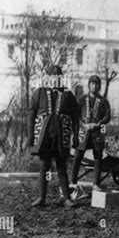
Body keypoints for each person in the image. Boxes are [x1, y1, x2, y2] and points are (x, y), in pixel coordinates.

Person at [28, 65, 80, 208]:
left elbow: (76, 117)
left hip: (61, 136)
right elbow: (31, 115)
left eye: (58, 76)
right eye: (53, 76)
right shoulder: (39, 93)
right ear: (48, 77)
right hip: (44, 136)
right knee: (44, 166)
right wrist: (30, 136)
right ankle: (41, 197)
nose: (55, 79)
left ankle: (66, 198)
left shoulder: (68, 95)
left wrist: (76, 137)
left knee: (61, 166)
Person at [71, 75, 111, 190]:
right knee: (78, 155)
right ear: (89, 85)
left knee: (98, 157)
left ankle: (96, 184)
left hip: (97, 133)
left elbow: (107, 116)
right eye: (92, 84)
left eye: (97, 84)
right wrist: (83, 124)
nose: (94, 86)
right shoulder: (82, 100)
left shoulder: (103, 101)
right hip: (84, 132)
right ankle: (73, 180)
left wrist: (98, 124)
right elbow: (76, 115)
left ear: (99, 86)